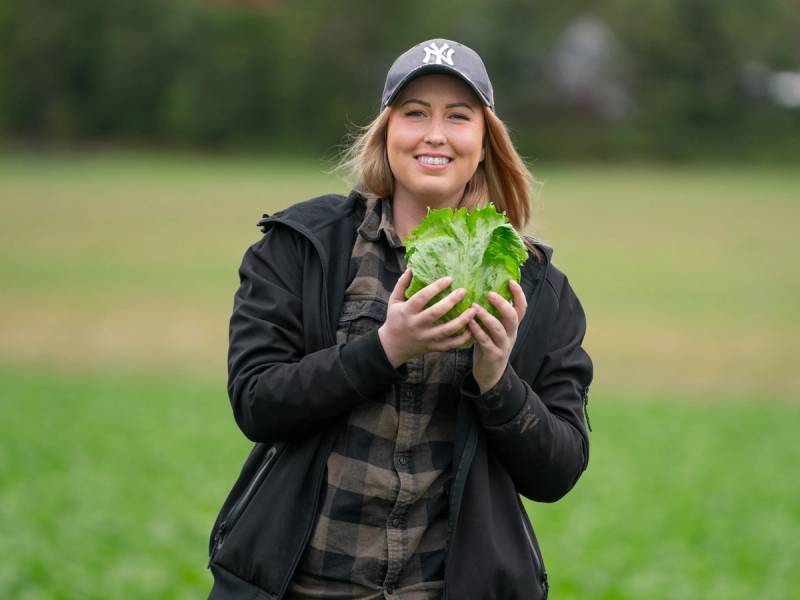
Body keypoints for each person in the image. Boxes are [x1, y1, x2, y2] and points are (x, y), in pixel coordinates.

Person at [207, 38, 593, 600]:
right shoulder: (303, 248)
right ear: (387, 133)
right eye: (415, 113)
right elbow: (257, 402)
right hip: (301, 587)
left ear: (484, 144)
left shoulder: (535, 285)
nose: (435, 134)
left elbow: (557, 470)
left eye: (458, 117)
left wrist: (495, 379)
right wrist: (385, 348)